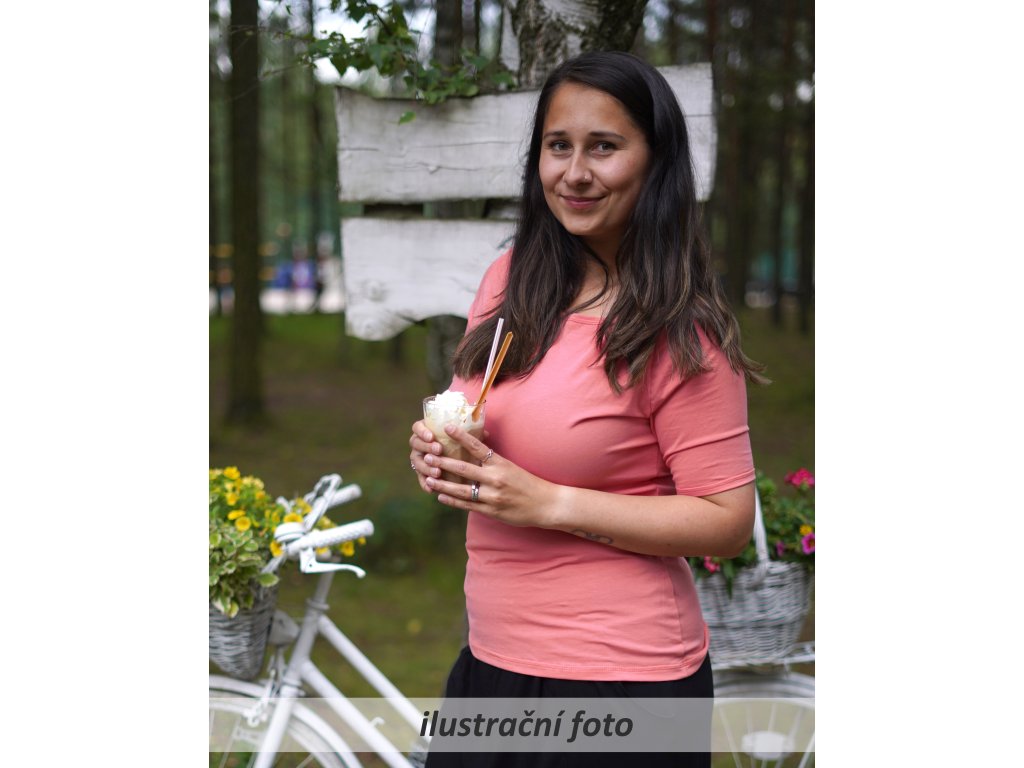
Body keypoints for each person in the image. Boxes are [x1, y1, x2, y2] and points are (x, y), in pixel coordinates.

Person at [408, 51, 766, 767]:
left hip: (622, 681)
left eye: (603, 147)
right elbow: (476, 411)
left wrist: (550, 503)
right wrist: (439, 450)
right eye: (558, 146)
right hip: (492, 662)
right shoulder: (509, 280)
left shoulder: (678, 329)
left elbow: (727, 520)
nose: (574, 173)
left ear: (655, 161)